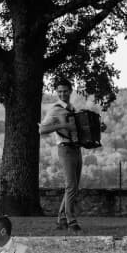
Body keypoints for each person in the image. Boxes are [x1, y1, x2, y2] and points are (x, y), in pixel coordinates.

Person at [39, 77, 82, 232]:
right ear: (57, 93)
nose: (62, 94)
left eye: (65, 91)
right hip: (65, 149)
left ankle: (61, 220)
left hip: (76, 148)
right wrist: (62, 124)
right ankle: (72, 221)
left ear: (70, 91)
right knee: (71, 186)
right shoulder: (55, 109)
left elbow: (79, 129)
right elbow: (42, 130)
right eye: (59, 91)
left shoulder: (72, 108)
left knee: (73, 187)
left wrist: (97, 128)